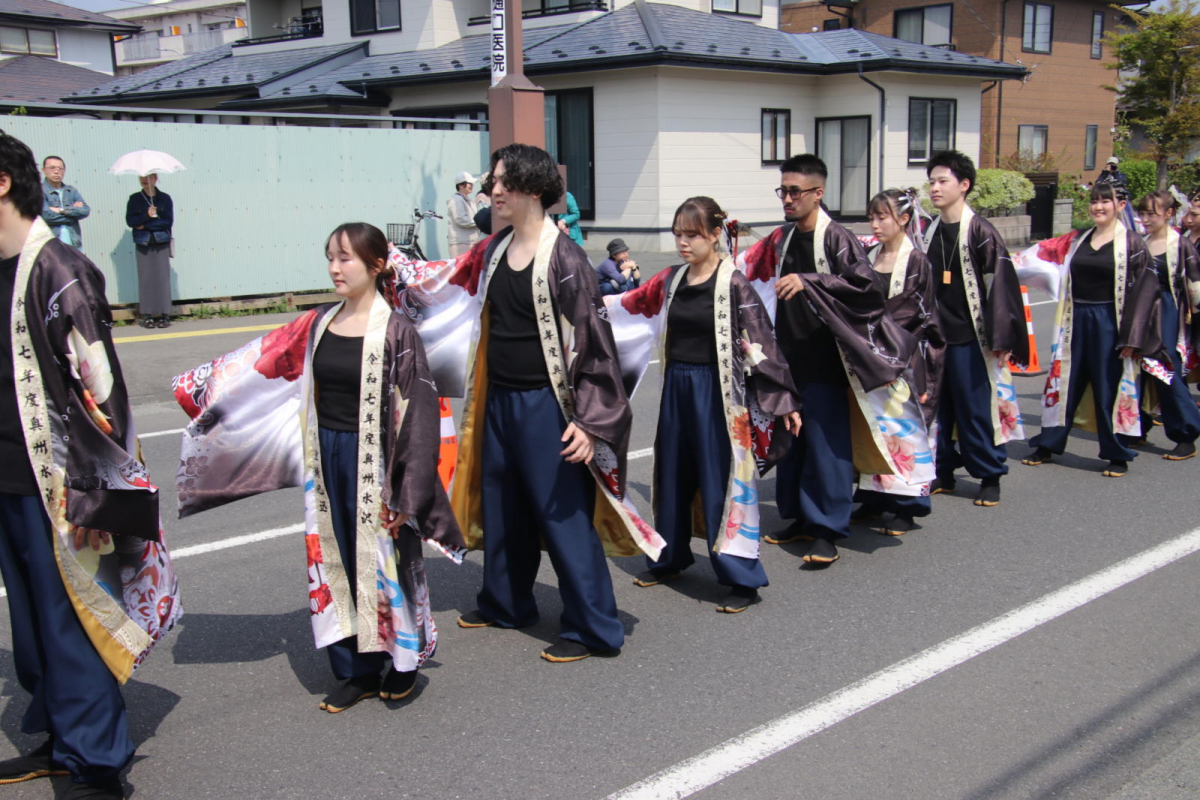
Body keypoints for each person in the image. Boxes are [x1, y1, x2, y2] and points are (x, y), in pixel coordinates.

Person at [172, 221, 466, 713]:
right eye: (330, 256)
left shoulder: (397, 331)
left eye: (345, 258)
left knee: (383, 564)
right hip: (326, 458)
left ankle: (402, 662)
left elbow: (418, 417)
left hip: (375, 462)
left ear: (376, 266)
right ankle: (355, 668)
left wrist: (407, 491)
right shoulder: (318, 324)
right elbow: (259, 368)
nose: (334, 267)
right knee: (334, 563)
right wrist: (199, 390)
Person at [390, 143, 664, 662]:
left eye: (502, 183)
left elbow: (594, 342)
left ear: (533, 190)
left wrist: (589, 421)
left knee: (562, 515)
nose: (492, 192)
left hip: (548, 406)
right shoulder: (493, 249)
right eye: (492, 183)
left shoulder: (564, 257)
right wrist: (386, 267)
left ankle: (594, 627)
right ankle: (507, 601)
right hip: (499, 401)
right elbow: (441, 286)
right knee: (503, 504)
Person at [0, 129, 180, 800]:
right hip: (7, 475)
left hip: (60, 483)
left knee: (71, 619)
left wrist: (96, 496)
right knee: (31, 624)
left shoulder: (59, 271)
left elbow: (103, 393)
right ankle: (56, 734)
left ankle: (96, 764)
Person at [603, 197, 800, 612]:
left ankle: (741, 577)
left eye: (691, 234)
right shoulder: (671, 279)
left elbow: (762, 340)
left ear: (715, 234)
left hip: (719, 393)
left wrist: (783, 398)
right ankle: (671, 557)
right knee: (672, 471)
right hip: (677, 386)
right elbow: (630, 305)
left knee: (721, 479)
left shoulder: (734, 283)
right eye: (678, 234)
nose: (683, 243)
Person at [738, 154, 931, 566]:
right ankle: (802, 518)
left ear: (817, 193)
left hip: (828, 360)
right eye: (783, 191)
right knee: (794, 441)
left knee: (827, 445)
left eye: (795, 191)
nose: (787, 199)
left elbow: (866, 290)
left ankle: (827, 529)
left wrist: (810, 280)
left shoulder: (837, 237)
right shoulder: (784, 236)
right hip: (791, 356)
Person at [1023, 183, 1165, 477]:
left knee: (1108, 387)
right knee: (1064, 384)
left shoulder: (1132, 244)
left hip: (1111, 322)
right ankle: (1048, 443)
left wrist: (1133, 337)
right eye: (1094, 201)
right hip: (1075, 319)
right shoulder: (1077, 240)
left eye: (1106, 201)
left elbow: (1146, 292)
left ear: (1120, 205)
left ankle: (1116, 452)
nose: (1098, 207)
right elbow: (1042, 258)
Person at [923, 150, 1028, 507]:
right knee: (940, 408)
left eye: (943, 181)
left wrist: (1002, 338)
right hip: (938, 337)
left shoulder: (981, 231)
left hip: (972, 337)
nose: (935, 188)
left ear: (964, 185)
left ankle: (989, 474)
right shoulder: (930, 230)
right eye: (932, 181)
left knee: (975, 408)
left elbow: (1001, 287)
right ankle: (944, 471)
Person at [854, 189, 946, 536]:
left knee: (903, 430)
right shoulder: (869, 254)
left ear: (904, 219)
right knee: (872, 428)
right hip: (869, 354)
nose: (875, 224)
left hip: (902, 356)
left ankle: (909, 505)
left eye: (883, 217)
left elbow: (915, 312)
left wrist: (872, 330)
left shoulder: (917, 261)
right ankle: (873, 497)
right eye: (873, 217)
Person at [1132, 190, 1200, 460]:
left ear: (1169, 213)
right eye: (1143, 213)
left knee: (1166, 367)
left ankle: (1186, 432)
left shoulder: (1181, 245)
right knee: (1134, 368)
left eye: (1152, 213)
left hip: (1167, 310)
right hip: (1139, 312)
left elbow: (1195, 288)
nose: (1146, 219)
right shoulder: (1141, 242)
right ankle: (1136, 428)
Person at [125, 174, 173, 329]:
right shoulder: (134, 199)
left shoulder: (165, 198)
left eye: (148, 177)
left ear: (155, 178)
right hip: (143, 242)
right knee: (146, 279)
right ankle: (148, 315)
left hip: (161, 241)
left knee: (162, 278)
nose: (144, 180)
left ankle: (165, 314)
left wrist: (145, 224)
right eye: (141, 177)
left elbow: (168, 221)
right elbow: (131, 222)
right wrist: (147, 215)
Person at [40, 156, 88, 250]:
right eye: (52, 168)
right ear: (44, 170)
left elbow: (85, 210)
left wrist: (61, 210)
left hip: (74, 244)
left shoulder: (71, 191)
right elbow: (46, 216)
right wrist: (74, 214)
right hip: (50, 247)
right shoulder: (38, 191)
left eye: (60, 168)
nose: (56, 171)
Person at [446, 170, 479, 258]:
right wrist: (479, 222)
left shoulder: (468, 200)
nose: (472, 185)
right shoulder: (456, 200)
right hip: (460, 243)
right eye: (469, 183)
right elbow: (461, 219)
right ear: (460, 185)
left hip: (469, 242)